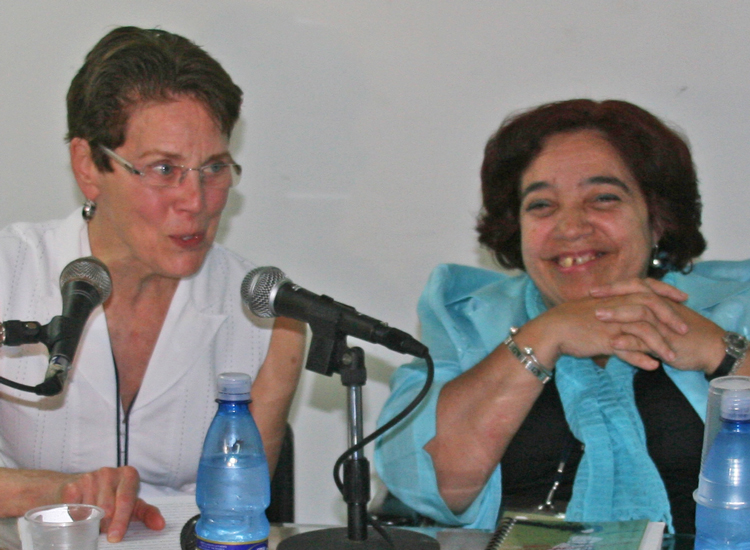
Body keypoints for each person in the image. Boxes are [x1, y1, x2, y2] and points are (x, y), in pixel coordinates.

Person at [374, 99, 750, 535]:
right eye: (542, 206)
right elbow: (431, 485)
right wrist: (543, 336)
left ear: (657, 217)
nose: (571, 226)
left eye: (603, 198)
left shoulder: (734, 305)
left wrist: (720, 353)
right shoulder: (467, 318)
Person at [0, 27, 305, 542]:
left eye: (213, 168)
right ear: (88, 166)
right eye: (164, 169)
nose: (197, 200)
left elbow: (243, 517)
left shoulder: (269, 318)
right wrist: (56, 491)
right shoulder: (10, 273)